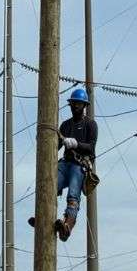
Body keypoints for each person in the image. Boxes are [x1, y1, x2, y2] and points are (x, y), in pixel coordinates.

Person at [54, 87, 98, 242]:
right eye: (73, 104)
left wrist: (75, 143)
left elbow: (91, 147)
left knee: (73, 196)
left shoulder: (90, 125)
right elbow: (55, 147)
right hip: (65, 164)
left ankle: (67, 226)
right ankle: (44, 217)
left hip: (79, 165)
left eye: (79, 104)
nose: (75, 107)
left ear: (84, 106)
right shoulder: (65, 125)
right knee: (49, 185)